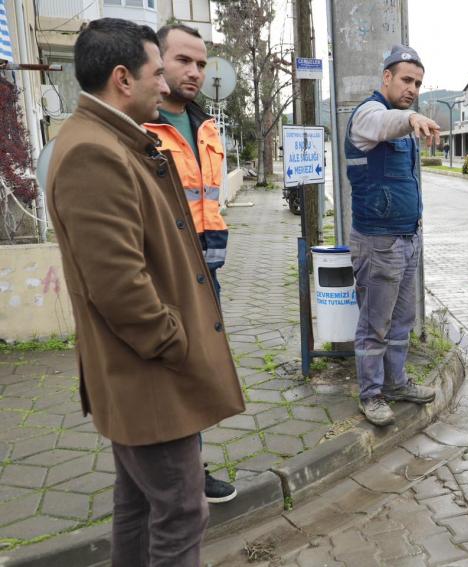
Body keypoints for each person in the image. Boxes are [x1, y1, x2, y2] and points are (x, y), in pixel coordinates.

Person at [46, 18, 245, 565]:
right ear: (121, 79)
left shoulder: (110, 138)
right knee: (182, 513)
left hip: (140, 371)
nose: (167, 84)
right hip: (148, 372)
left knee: (136, 505)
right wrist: (174, 343)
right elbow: (119, 285)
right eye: (158, 72)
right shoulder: (95, 152)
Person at [144, 23, 235, 504]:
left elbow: (208, 199)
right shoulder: (139, 126)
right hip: (162, 274)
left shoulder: (205, 125)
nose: (195, 71)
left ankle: (189, 469)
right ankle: (176, 479)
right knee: (169, 374)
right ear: (156, 62)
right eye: (183, 60)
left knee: (199, 370)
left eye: (201, 63)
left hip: (207, 269)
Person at [344, 45, 441, 426]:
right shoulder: (369, 114)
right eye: (406, 80)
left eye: (418, 83)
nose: (413, 88)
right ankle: (370, 395)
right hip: (378, 241)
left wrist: (410, 117)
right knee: (374, 325)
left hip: (407, 237)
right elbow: (383, 124)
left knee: (402, 322)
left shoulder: (402, 120)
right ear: (386, 77)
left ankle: (397, 383)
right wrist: (411, 117)